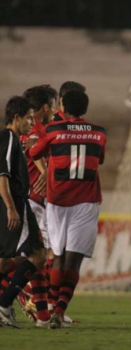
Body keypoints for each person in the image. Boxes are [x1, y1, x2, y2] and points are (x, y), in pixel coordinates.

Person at [30, 90, 107, 329]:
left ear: (63, 105)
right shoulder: (99, 133)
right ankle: (60, 312)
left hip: (56, 202)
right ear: (84, 108)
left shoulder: (53, 130)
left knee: (58, 258)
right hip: (85, 202)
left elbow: (34, 153)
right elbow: (100, 159)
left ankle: (53, 308)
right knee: (74, 262)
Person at [0, 96, 46, 328]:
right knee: (38, 256)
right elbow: (3, 176)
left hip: (12, 204)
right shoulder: (9, 138)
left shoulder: (13, 139)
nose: (31, 122)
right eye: (28, 118)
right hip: (16, 204)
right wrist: (11, 207)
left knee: (5, 261)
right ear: (16, 118)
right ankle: (4, 305)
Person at [17, 85, 58, 325]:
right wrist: (47, 170)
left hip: (23, 200)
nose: (54, 112)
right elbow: (35, 153)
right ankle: (40, 310)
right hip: (34, 203)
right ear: (45, 108)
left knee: (30, 257)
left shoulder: (20, 129)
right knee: (43, 257)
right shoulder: (42, 130)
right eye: (53, 107)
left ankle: (41, 310)